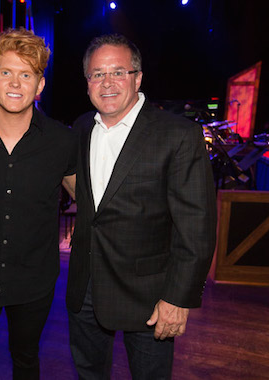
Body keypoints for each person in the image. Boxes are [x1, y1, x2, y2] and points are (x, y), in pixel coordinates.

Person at [65, 34, 217, 379]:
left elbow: (197, 225)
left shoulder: (177, 135)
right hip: (85, 289)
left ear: (138, 77)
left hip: (150, 298)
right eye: (97, 74)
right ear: (87, 82)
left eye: (118, 72)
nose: (107, 83)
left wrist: (178, 299)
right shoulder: (79, 129)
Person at [0, 28, 77, 379]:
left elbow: (88, 195)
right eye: (6, 72)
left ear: (40, 85)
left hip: (33, 280)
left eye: (26, 75)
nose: (15, 83)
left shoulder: (61, 141)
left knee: (25, 362)